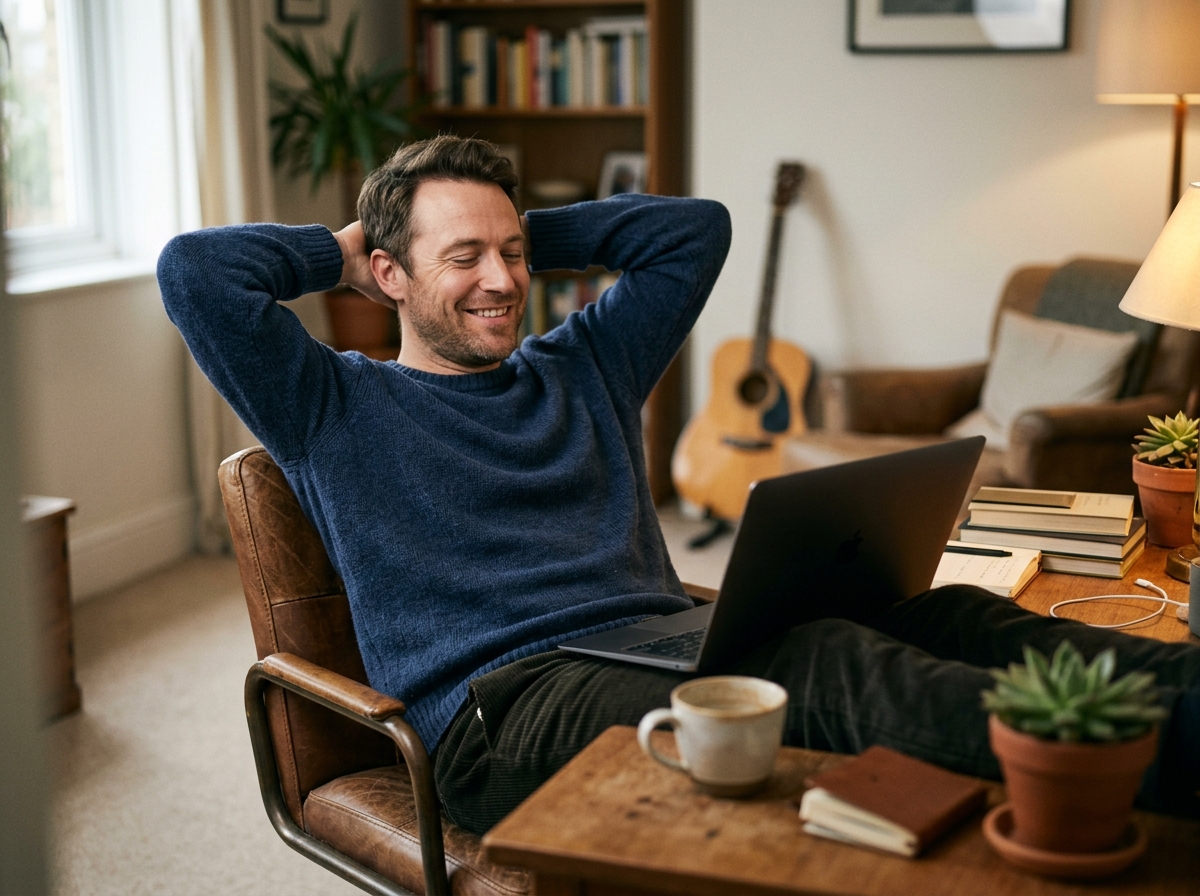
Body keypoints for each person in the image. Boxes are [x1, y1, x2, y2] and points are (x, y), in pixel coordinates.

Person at [158, 136, 1200, 836]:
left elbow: (691, 229)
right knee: (830, 663)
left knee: (956, 612)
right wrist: (345, 249)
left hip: (658, 641)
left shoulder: (581, 365)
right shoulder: (330, 404)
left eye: (515, 253)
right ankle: (1166, 763)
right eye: (463, 256)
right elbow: (195, 272)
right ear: (387, 275)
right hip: (502, 705)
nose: (504, 279)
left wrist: (508, 226)